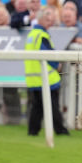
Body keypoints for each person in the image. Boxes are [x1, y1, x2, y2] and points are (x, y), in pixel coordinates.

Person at [24, 8, 70, 136]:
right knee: (52, 107)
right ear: (40, 19)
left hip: (33, 78)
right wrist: (57, 65)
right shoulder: (42, 35)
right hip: (46, 78)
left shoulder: (32, 35)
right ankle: (60, 130)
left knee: (37, 107)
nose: (50, 22)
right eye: (48, 19)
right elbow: (49, 56)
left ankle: (32, 131)